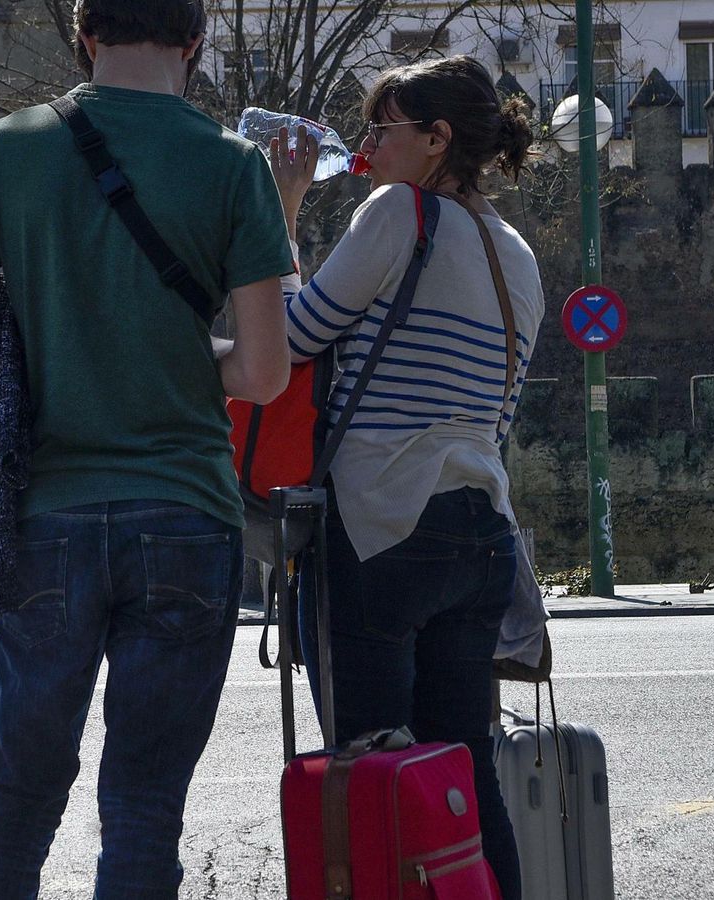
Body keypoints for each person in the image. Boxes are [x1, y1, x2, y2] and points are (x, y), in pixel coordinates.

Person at [0, 0, 294, 896]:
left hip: (48, 518)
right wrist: (183, 353)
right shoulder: (235, 167)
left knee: (15, 811)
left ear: (85, 34)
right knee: (145, 810)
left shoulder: (10, 147)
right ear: (195, 43)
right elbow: (266, 376)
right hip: (188, 516)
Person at [270, 55, 542, 900]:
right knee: (463, 771)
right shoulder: (517, 254)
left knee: (372, 773)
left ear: (436, 139)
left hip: (386, 522)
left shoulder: (402, 212)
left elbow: (289, 338)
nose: (366, 147)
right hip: (479, 531)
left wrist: (281, 209)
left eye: (383, 129)